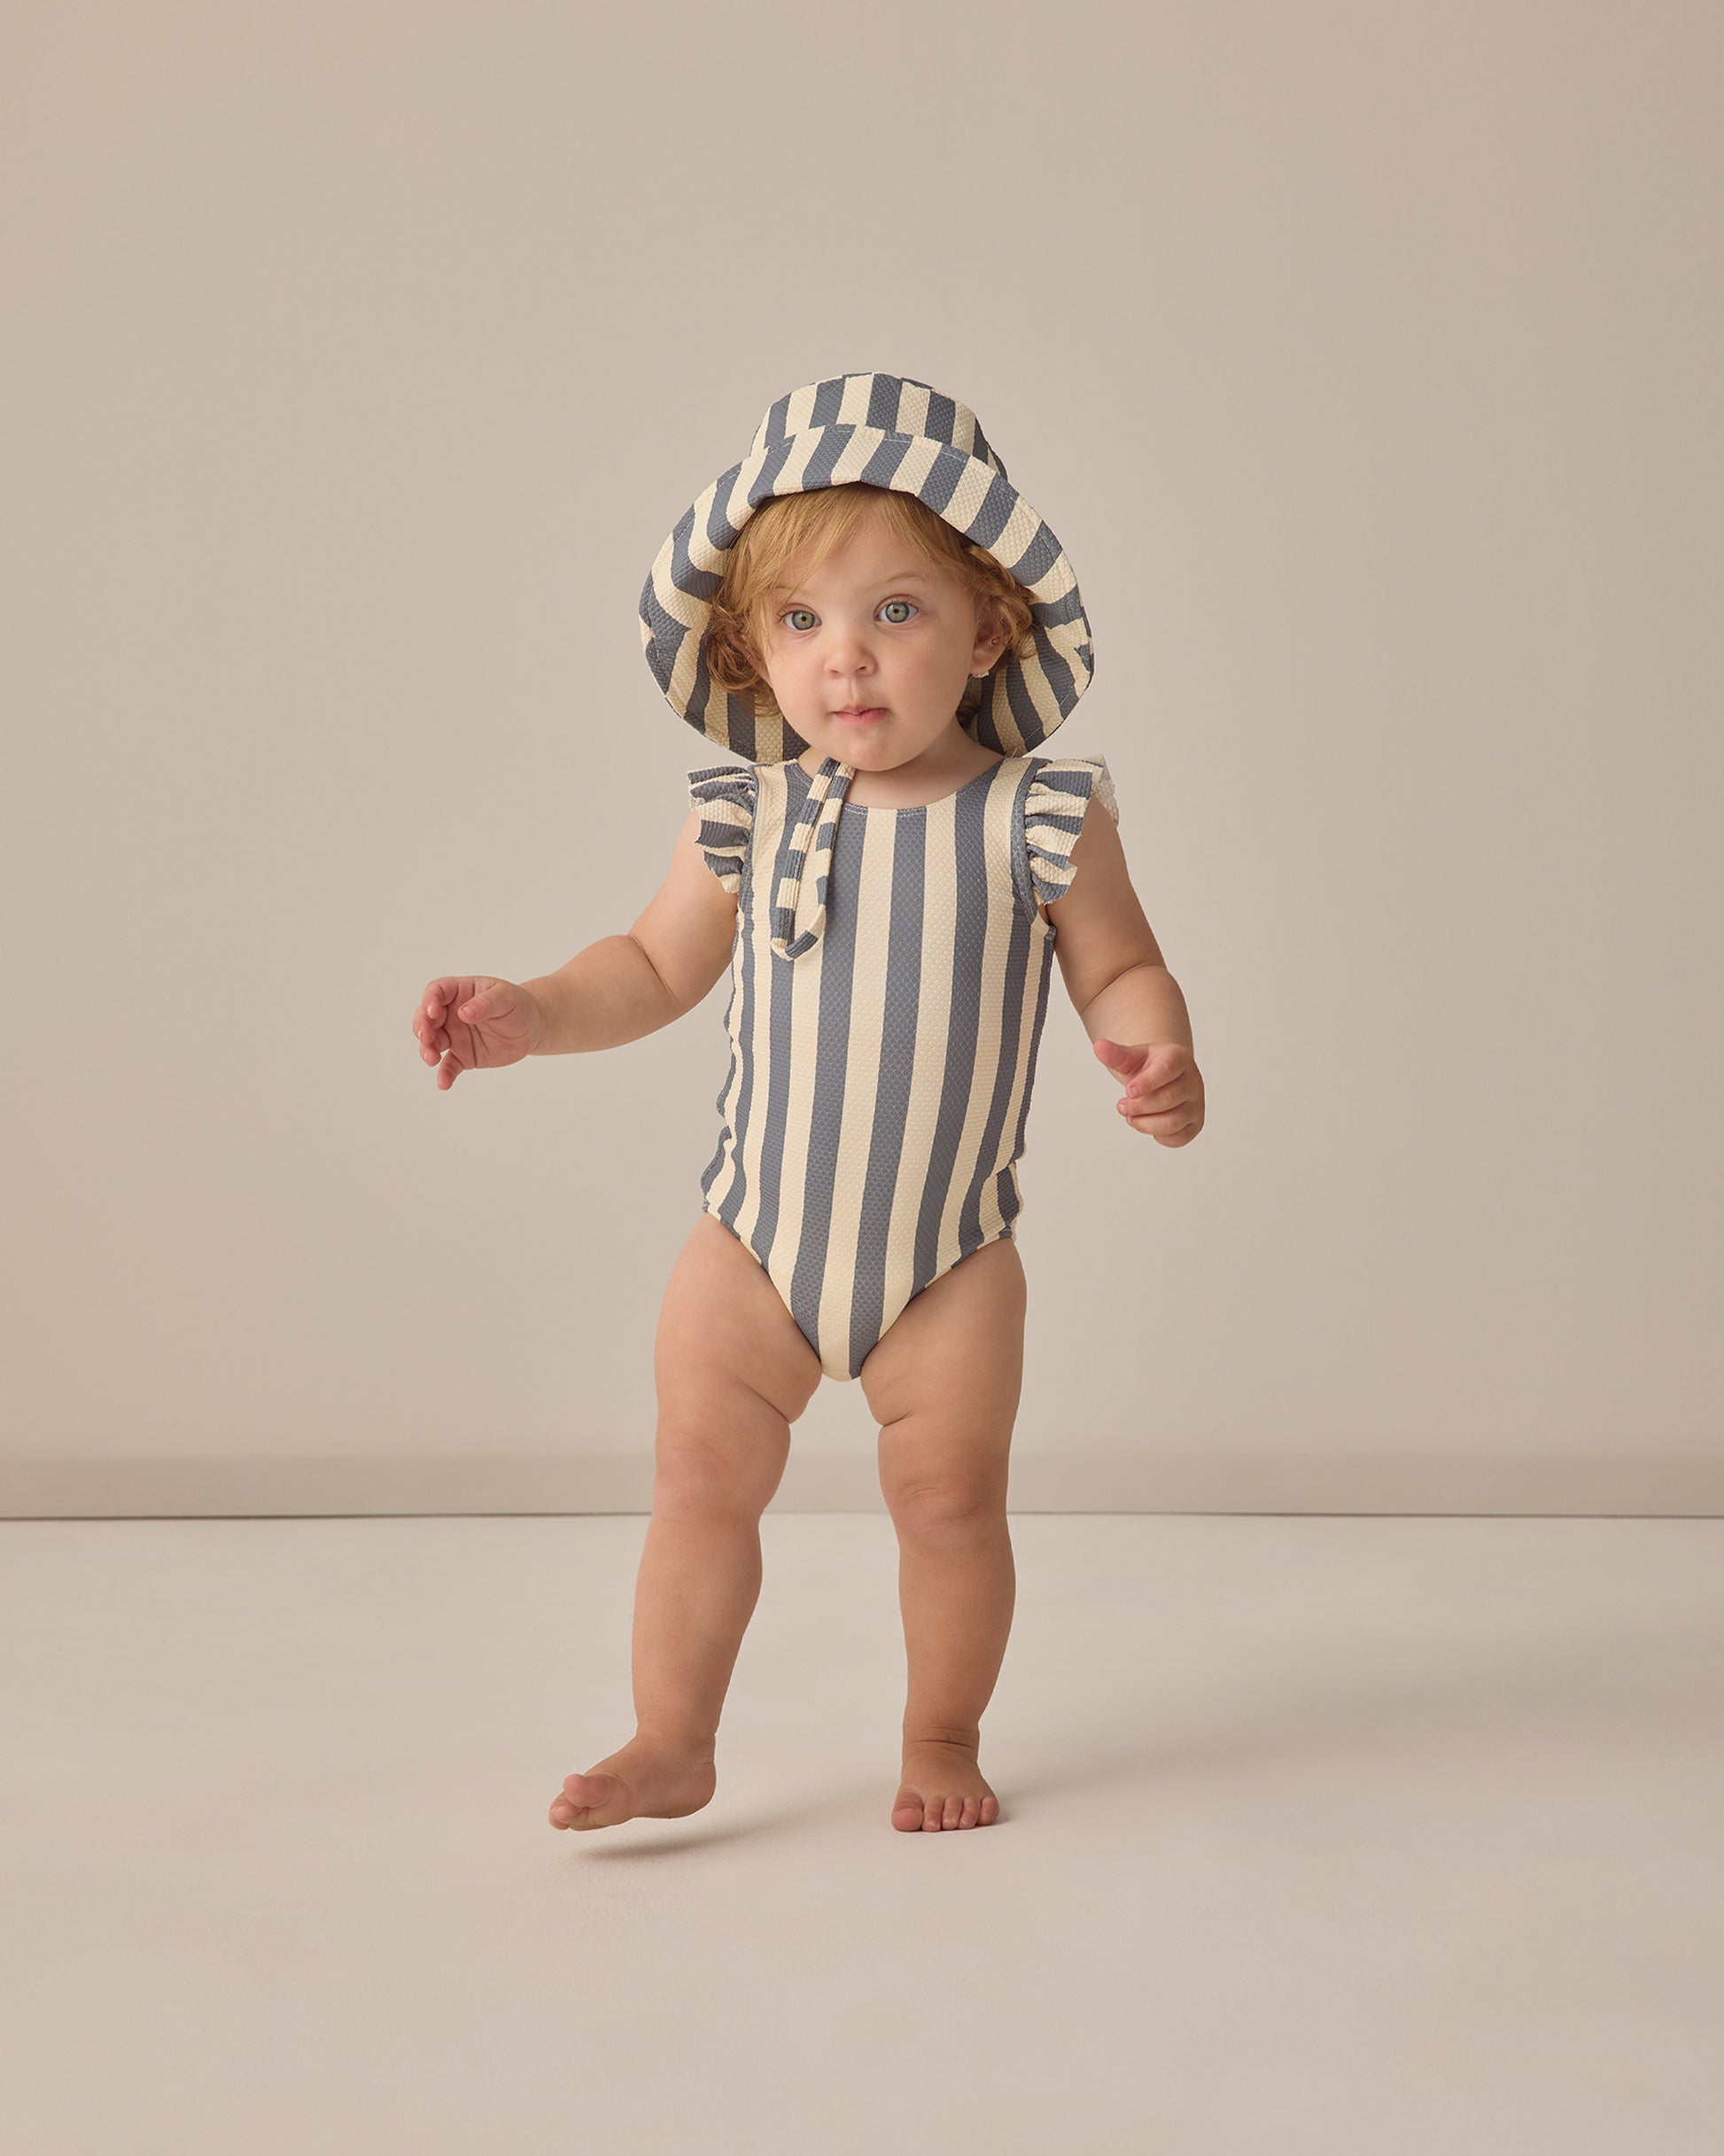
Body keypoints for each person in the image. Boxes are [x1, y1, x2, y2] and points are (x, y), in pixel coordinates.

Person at [409, 373, 1204, 1833]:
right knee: (696, 1483)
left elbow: (1120, 967)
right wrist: (532, 1012)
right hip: (750, 1244)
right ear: (748, 646)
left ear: (988, 629)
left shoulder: (1037, 816)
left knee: (950, 1508)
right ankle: (670, 1739)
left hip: (947, 1261)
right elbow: (649, 966)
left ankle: (942, 1736)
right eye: (799, 621)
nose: (846, 658)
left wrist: (1157, 1052)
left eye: (895, 611)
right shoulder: (749, 810)